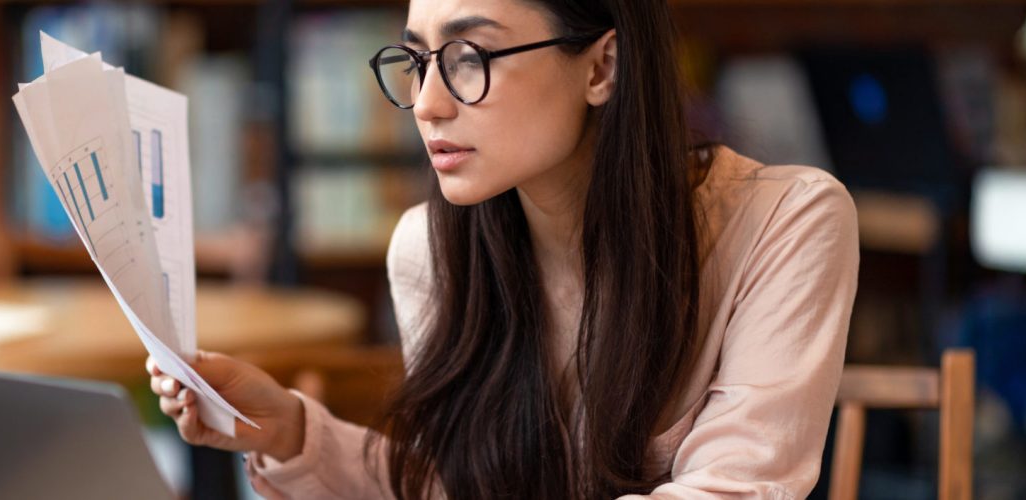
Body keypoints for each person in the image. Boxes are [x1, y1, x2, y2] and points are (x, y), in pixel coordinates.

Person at [147, 0, 859, 497]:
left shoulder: (785, 222)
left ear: (602, 67)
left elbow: (733, 492)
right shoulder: (429, 251)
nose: (427, 103)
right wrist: (293, 431)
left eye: (468, 56)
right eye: (417, 59)